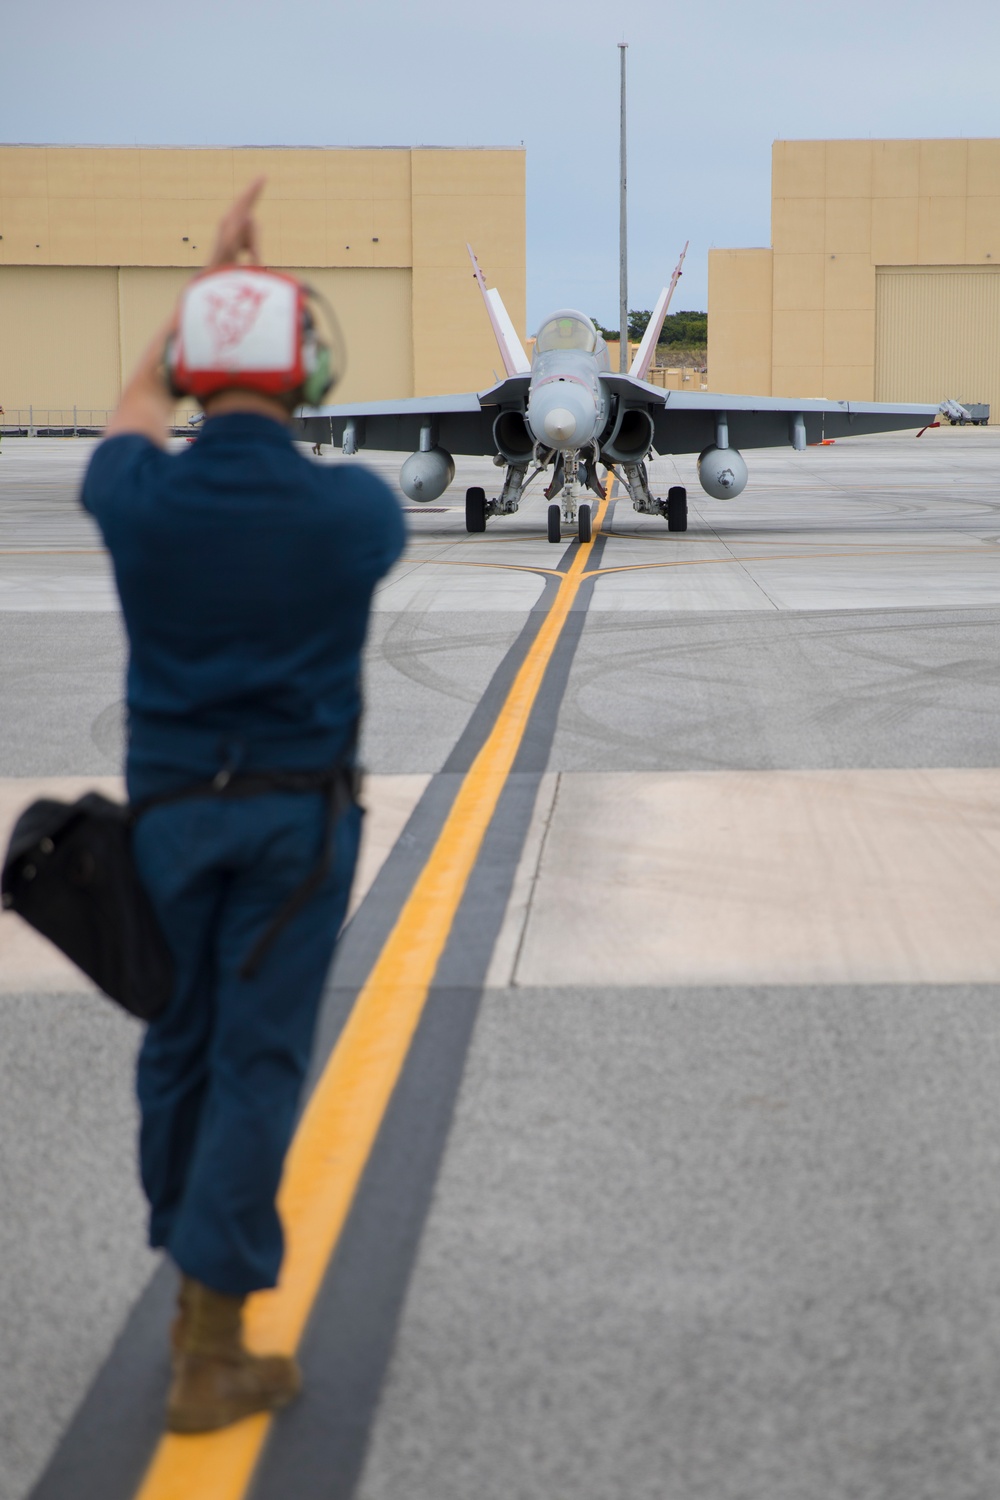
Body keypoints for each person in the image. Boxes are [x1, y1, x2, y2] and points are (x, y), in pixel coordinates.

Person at [80, 180, 405, 1433]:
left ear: (193, 370)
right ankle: (211, 1342)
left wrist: (192, 307)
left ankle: (189, 1274)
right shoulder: (355, 511)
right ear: (309, 375)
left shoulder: (139, 502)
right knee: (255, 1060)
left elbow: (131, 417)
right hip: (295, 834)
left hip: (164, 825)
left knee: (177, 1046)